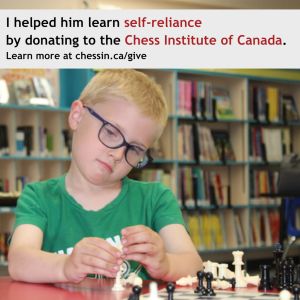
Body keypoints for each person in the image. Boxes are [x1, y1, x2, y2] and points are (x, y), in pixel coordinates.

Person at [8, 69, 203, 283]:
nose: (118, 154)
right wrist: (65, 266)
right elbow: (19, 261)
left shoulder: (155, 198)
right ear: (77, 116)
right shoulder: (39, 197)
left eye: (134, 149)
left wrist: (166, 264)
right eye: (111, 132)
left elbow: (193, 264)